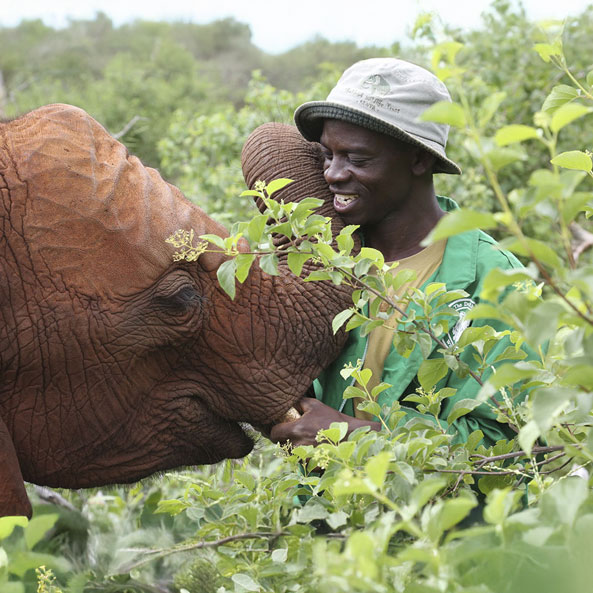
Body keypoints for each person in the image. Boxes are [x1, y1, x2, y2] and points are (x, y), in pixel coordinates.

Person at [270, 58, 525, 448]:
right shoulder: (329, 261)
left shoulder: (496, 283)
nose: (333, 174)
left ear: (420, 159)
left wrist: (352, 436)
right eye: (327, 155)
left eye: (357, 159)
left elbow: (514, 443)